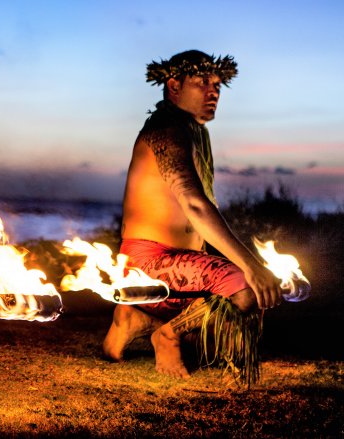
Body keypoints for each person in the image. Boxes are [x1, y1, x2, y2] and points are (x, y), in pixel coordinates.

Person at [102, 50, 282, 385]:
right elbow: (195, 204)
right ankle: (166, 336)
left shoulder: (195, 133)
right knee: (246, 288)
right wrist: (250, 266)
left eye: (217, 85)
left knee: (235, 307)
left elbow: (202, 216)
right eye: (202, 83)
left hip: (184, 266)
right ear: (173, 85)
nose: (213, 91)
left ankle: (137, 319)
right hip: (149, 262)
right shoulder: (166, 130)